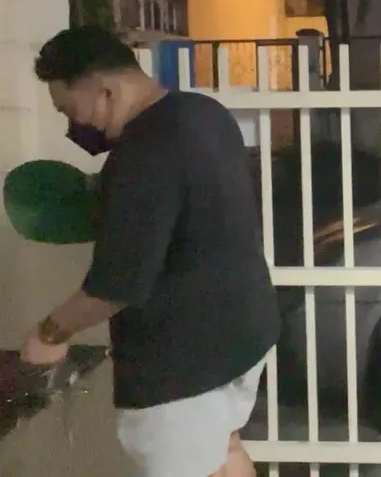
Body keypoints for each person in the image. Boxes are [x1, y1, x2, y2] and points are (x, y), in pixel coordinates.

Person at [21, 26, 279, 477]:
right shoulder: (204, 113)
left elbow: (118, 284)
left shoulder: (143, 152)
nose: (72, 125)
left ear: (105, 91)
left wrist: (50, 333)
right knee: (223, 450)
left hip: (181, 361)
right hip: (243, 333)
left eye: (69, 109)